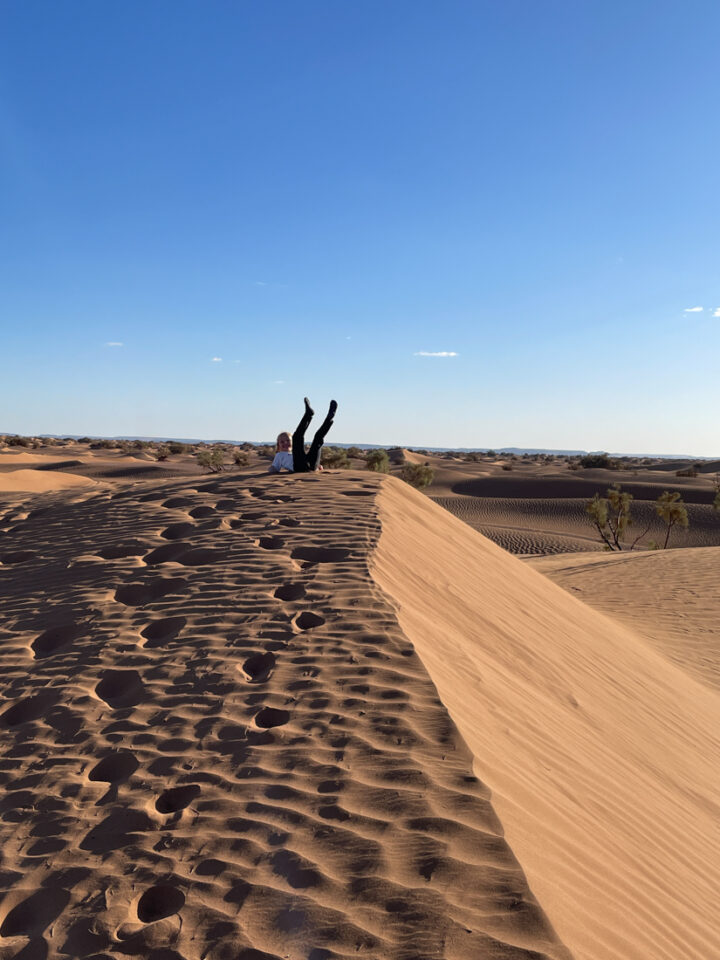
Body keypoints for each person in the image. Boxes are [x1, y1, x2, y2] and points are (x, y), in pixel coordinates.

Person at [269, 398, 337, 473]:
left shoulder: (295, 452)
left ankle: (329, 418)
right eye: (282, 442)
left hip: (310, 466)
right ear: (278, 445)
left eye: (288, 440)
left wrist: (317, 465)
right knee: (298, 437)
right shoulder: (279, 455)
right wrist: (271, 469)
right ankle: (308, 414)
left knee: (318, 438)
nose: (285, 443)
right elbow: (275, 468)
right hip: (299, 467)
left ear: (292, 443)